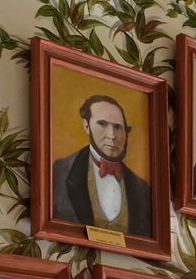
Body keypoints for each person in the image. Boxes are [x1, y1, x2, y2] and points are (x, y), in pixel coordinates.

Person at [52, 94, 152, 237]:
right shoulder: (60, 171)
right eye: (102, 124)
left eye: (118, 127)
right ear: (87, 126)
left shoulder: (142, 189)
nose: (111, 135)